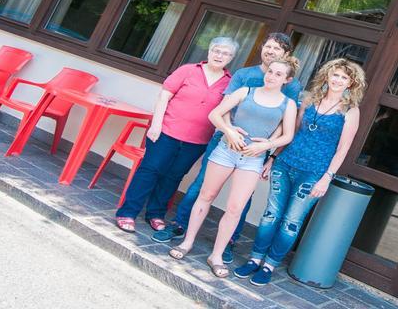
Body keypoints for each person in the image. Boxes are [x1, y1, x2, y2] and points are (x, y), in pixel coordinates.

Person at [152, 32, 302, 264]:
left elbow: (285, 124)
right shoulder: (244, 76)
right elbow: (224, 108)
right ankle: (180, 226)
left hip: (255, 152)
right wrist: (229, 132)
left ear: (286, 56)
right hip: (224, 140)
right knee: (201, 187)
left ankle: (228, 242)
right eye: (268, 46)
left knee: (242, 200)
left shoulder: (291, 88)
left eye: (277, 49)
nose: (271, 52)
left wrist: (270, 154)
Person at [233, 58, 367, 286]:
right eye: (335, 74)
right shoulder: (309, 100)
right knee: (270, 215)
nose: (338, 80)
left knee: (291, 221)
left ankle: (269, 265)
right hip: (285, 164)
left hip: (314, 174)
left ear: (351, 84)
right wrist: (273, 157)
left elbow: (343, 149)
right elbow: (291, 132)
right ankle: (255, 259)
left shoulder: (350, 111)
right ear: (327, 75)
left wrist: (327, 178)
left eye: (344, 77)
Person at [113, 37, 237, 234]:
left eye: (225, 53)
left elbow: (226, 112)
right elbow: (164, 96)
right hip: (167, 131)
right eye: (216, 50)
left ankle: (155, 214)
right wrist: (156, 125)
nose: (219, 55)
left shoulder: (229, 83)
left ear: (231, 58)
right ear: (209, 52)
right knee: (150, 170)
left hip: (197, 141)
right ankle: (127, 213)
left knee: (173, 177)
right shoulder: (188, 70)